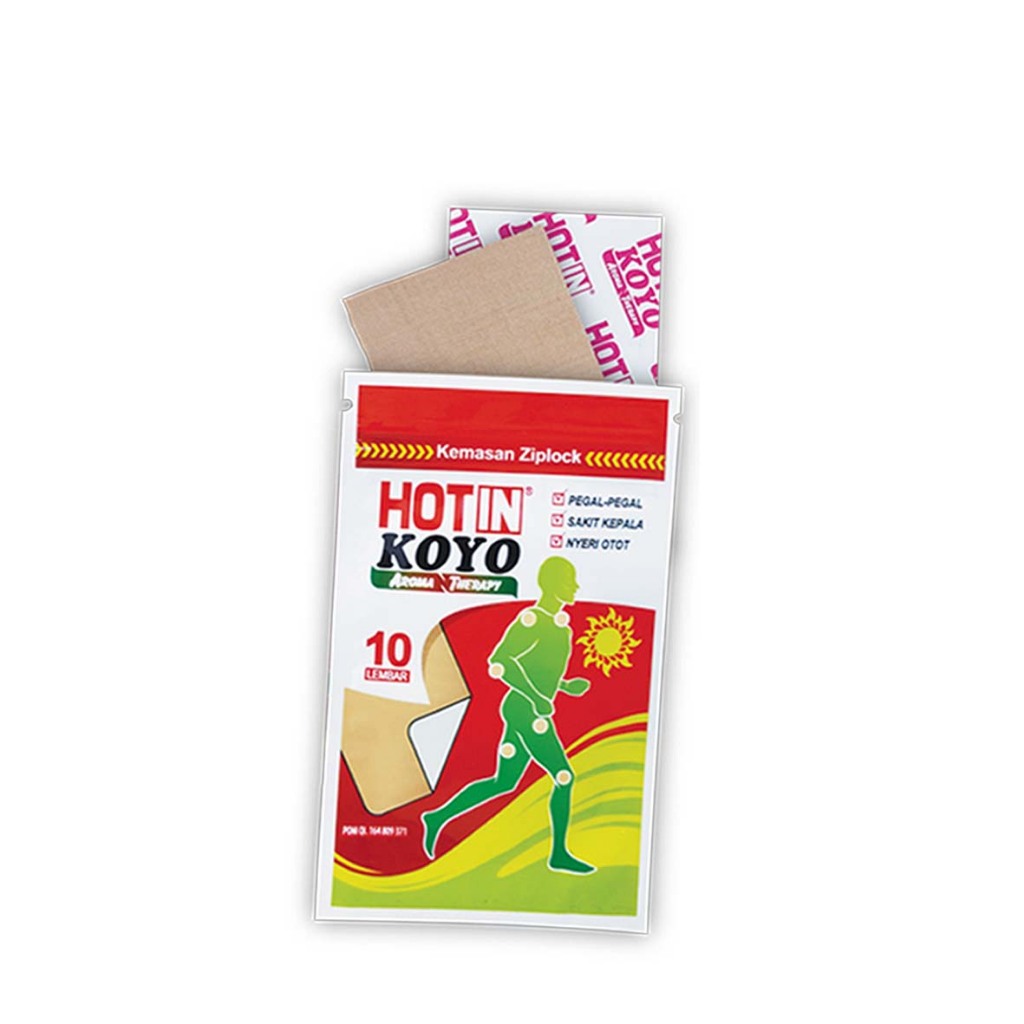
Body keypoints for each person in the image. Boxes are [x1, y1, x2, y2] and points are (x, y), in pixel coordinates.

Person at [422, 556, 595, 874]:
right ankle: (558, 854)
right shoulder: (533, 621)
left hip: (525, 710)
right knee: (564, 776)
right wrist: (537, 698)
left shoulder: (558, 626)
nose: (575, 587)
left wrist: (565, 686)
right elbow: (501, 661)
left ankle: (436, 817)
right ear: (552, 585)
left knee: (504, 782)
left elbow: (538, 668)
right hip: (525, 710)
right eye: (569, 581)